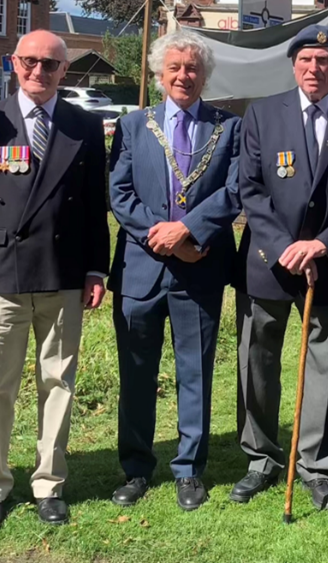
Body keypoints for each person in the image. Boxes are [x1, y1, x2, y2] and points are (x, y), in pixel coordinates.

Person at [0, 29, 109, 532]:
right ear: (13, 63)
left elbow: (95, 203)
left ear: (65, 70)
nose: (38, 71)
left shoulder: (85, 125)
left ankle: (49, 483)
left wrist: (96, 268)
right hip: (2, 274)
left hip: (64, 273)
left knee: (58, 382)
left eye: (50, 64)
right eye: (29, 61)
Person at [232, 25, 328, 510]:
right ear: (293, 65)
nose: (314, 68)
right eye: (306, 60)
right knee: (257, 360)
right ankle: (261, 458)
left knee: (326, 364)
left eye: (323, 60)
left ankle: (317, 464)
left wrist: (321, 245)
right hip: (268, 262)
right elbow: (251, 189)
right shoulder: (262, 114)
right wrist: (286, 248)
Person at [108, 29, 241, 512]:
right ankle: (136, 468)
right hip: (140, 270)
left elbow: (234, 190)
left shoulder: (229, 127)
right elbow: (119, 193)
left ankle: (189, 469)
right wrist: (160, 235)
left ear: (204, 76)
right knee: (136, 373)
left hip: (200, 266)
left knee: (195, 371)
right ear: (159, 75)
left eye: (193, 68)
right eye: (175, 68)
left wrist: (187, 231)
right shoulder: (133, 125)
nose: (184, 75)